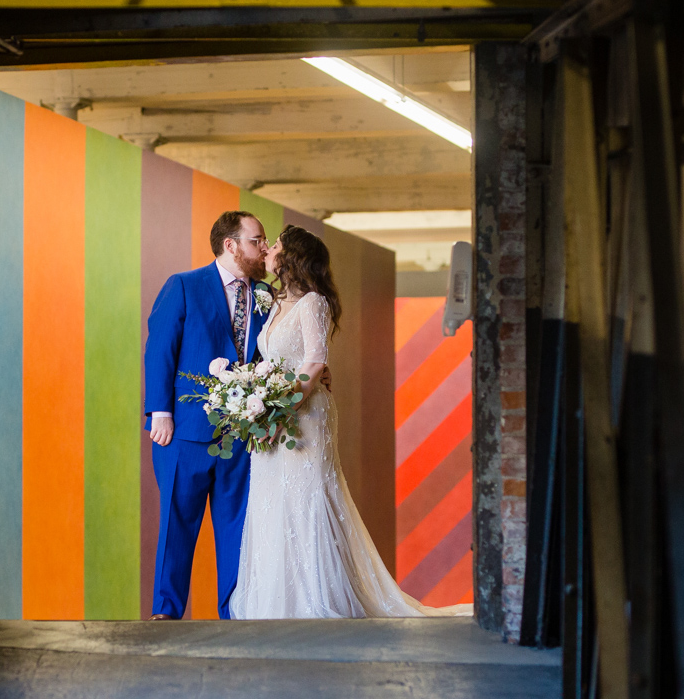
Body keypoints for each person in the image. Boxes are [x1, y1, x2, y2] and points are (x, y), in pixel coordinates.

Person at [229, 225, 470, 620]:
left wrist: (280, 411)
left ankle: (319, 598)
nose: (269, 250)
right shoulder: (273, 304)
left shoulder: (313, 303)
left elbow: (314, 361)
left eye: (276, 245)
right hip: (274, 418)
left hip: (304, 418)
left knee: (309, 499)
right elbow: (274, 362)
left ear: (292, 257)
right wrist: (257, 406)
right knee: (274, 502)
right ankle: (277, 602)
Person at [143, 211, 271, 619]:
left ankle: (233, 612)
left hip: (243, 435)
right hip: (184, 434)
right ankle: (166, 611)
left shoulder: (266, 296)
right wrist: (160, 411)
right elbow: (160, 349)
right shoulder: (183, 286)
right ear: (230, 245)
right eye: (257, 240)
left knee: (237, 531)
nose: (264, 248)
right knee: (177, 527)